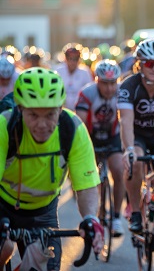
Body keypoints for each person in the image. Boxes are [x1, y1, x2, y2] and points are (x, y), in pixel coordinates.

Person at [0, 68, 103, 270]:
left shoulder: (72, 129)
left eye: (50, 114)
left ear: (61, 108)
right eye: (33, 115)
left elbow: (86, 186)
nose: (42, 124)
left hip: (43, 211)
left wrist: (91, 218)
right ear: (20, 110)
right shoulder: (5, 126)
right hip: (3, 204)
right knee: (4, 248)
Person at [118, 39, 154, 249]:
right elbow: (125, 120)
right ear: (139, 65)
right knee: (135, 162)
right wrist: (129, 150)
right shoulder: (128, 85)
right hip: (138, 135)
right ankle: (134, 211)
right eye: (149, 64)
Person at [75, 59, 125, 237]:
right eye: (105, 83)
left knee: (119, 171)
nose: (110, 88)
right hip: (91, 138)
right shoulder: (87, 93)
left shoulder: (122, 92)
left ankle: (117, 217)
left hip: (113, 138)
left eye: (113, 83)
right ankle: (99, 214)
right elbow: (80, 123)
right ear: (97, 80)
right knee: (93, 179)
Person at [54, 43, 93, 111]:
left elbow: (90, 93)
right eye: (70, 58)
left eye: (75, 59)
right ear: (65, 59)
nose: (72, 62)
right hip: (61, 109)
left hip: (80, 110)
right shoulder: (58, 71)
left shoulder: (85, 72)